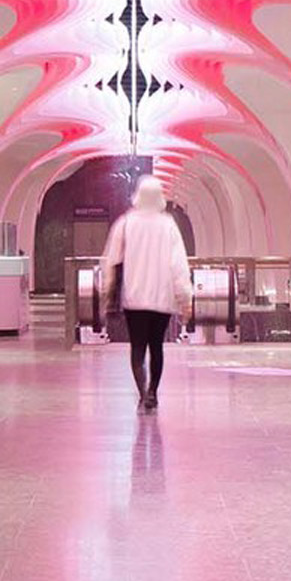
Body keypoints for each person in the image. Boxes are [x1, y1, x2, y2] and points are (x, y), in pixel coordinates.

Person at [98, 177, 193, 413]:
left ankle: (142, 393)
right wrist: (186, 299)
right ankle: (153, 392)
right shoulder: (169, 225)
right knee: (156, 347)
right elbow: (179, 265)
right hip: (162, 300)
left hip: (134, 298)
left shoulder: (126, 223)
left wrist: (107, 293)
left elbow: (112, 260)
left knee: (138, 347)